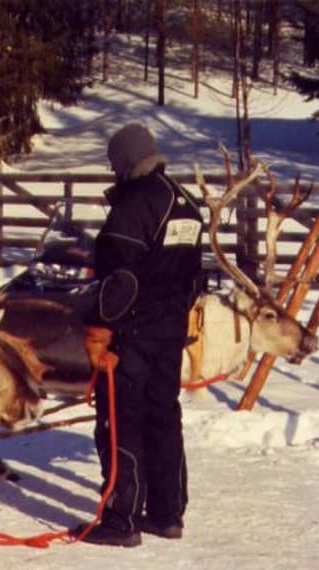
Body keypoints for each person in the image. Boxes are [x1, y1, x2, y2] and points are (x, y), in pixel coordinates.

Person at [72, 123, 203, 547]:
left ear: (125, 161)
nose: (113, 172)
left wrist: (101, 326)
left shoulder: (135, 204)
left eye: (114, 164)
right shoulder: (185, 203)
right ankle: (167, 514)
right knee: (163, 416)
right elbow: (195, 278)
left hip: (132, 332)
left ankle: (121, 519)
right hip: (170, 332)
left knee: (120, 420)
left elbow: (119, 279)